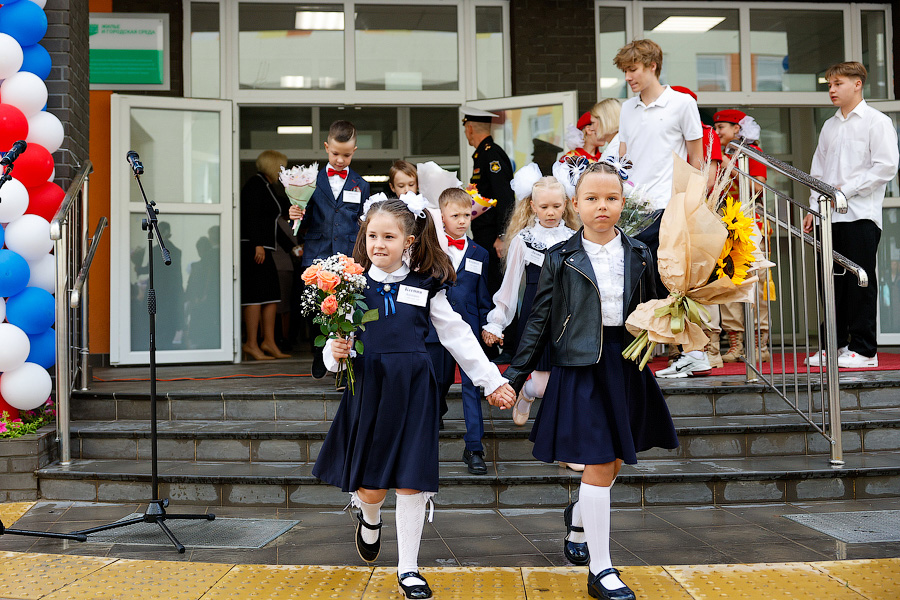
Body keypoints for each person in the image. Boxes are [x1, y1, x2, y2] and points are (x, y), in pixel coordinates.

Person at [313, 196, 515, 600]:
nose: (378, 244)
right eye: (372, 235)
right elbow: (335, 346)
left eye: (389, 236)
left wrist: (489, 381)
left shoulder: (425, 283)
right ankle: (369, 517)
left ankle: (409, 568)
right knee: (372, 488)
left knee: (411, 483)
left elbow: (456, 333)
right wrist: (332, 354)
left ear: (408, 241)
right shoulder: (349, 285)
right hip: (370, 389)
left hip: (414, 391)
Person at [495, 160, 678, 599]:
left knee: (612, 462)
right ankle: (602, 570)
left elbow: (655, 304)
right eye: (592, 199)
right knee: (598, 462)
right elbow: (538, 319)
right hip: (580, 367)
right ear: (577, 204)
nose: (602, 206)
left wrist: (682, 318)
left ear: (622, 203)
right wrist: (515, 376)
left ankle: (579, 525)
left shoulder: (639, 252)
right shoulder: (561, 256)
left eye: (611, 199)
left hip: (626, 364)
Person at [614, 39, 706, 375]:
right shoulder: (627, 109)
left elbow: (696, 157)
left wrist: (693, 203)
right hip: (634, 209)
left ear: (652, 66)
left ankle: (694, 351)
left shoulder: (682, 104)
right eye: (625, 71)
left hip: (670, 206)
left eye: (633, 69)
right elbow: (624, 159)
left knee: (673, 281)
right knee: (640, 280)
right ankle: (644, 349)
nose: (628, 77)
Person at [803, 62, 899, 369]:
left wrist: (845, 191)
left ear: (857, 84)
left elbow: (885, 166)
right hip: (827, 217)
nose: (831, 90)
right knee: (830, 285)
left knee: (859, 283)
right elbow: (817, 171)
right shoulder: (830, 126)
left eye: (838, 83)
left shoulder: (876, 121)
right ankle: (836, 345)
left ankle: (865, 350)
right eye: (829, 84)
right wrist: (814, 205)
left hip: (860, 215)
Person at [482, 167, 577, 432]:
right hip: (535, 314)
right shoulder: (523, 241)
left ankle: (562, 440)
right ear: (532, 206)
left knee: (565, 381)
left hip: (567, 315)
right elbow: (510, 285)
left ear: (566, 205)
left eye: (556, 206)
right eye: (544, 206)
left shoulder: (574, 238)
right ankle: (528, 392)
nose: (550, 212)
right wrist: (496, 322)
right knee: (543, 384)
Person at [289, 121, 371, 378]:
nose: (340, 159)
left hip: (347, 256)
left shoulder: (361, 184)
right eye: (335, 153)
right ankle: (319, 351)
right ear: (326, 147)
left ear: (355, 151)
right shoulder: (310, 181)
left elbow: (363, 223)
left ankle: (343, 361)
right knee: (317, 307)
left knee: (346, 308)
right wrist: (295, 214)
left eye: (346, 155)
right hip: (317, 254)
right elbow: (302, 219)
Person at [425, 188, 493, 475]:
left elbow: (483, 295)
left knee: (472, 387)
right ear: (442, 217)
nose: (463, 220)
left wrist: (490, 325)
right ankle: (436, 412)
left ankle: (474, 447)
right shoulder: (430, 250)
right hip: (435, 331)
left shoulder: (481, 253)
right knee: (437, 382)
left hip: (470, 331)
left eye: (467, 215)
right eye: (456, 215)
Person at [713, 108, 771, 364]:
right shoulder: (719, 156)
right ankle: (735, 344)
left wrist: (730, 167)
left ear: (737, 129)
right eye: (715, 128)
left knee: (756, 286)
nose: (717, 132)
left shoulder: (752, 153)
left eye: (721, 127)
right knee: (728, 287)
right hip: (725, 226)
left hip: (751, 227)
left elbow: (758, 187)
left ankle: (760, 345)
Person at [240, 150, 291, 361]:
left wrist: (290, 247)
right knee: (255, 296)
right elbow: (250, 215)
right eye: (282, 167)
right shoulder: (256, 184)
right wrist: (257, 244)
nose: (284, 171)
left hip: (265, 249)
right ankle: (251, 343)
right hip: (254, 249)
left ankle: (268, 342)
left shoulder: (268, 186)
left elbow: (272, 223)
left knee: (271, 296)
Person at [461, 106, 516, 295]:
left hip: (493, 237)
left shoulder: (491, 155)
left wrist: (502, 235)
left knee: (496, 289)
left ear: (469, 129)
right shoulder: (482, 154)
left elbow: (505, 197)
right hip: (485, 235)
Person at [561, 99, 622, 164]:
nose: (593, 128)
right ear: (588, 130)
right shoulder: (571, 158)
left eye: (594, 123)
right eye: (592, 123)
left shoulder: (614, 149)